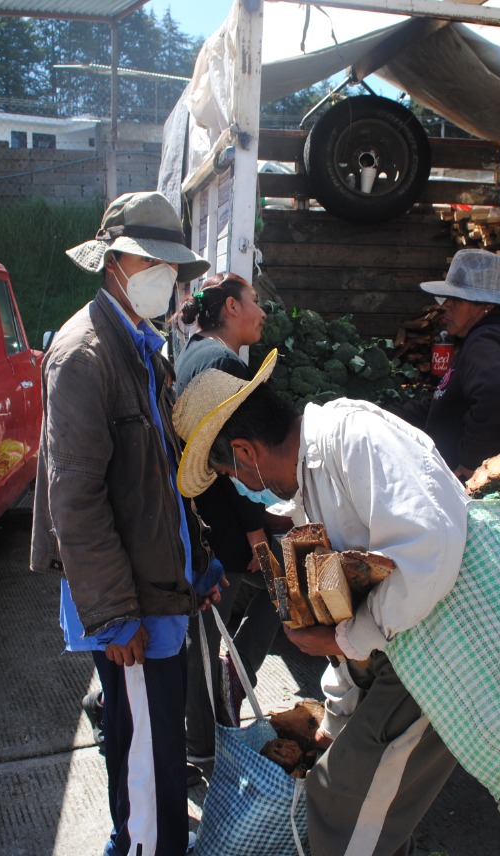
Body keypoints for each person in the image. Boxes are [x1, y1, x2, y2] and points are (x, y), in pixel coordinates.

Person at [172, 352, 469, 856]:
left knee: (342, 801)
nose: (240, 484)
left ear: (245, 450)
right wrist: (336, 714)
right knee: (370, 809)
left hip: (438, 653)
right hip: (403, 650)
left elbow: (429, 553)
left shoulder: (352, 439)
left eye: (230, 472)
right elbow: (363, 603)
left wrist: (340, 640)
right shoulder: (312, 478)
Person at [30, 190, 223, 856]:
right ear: (115, 263)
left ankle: (147, 840)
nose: (167, 280)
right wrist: (113, 616)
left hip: (156, 589)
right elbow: (74, 498)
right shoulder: (84, 355)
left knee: (156, 748)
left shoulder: (146, 346)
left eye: (173, 268)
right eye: (153, 263)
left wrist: (200, 563)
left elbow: (163, 478)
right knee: (146, 759)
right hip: (126, 603)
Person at [171, 272, 281, 778]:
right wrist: (259, 534)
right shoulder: (225, 365)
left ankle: (203, 735)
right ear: (232, 308)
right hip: (225, 522)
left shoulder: (194, 351)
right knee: (284, 587)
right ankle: (210, 730)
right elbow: (235, 463)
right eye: (255, 302)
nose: (262, 312)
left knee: (203, 634)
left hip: (205, 515)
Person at [397, 248, 500, 481]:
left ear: (485, 305)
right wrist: (386, 411)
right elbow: (449, 407)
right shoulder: (499, 338)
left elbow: (497, 393)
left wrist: (471, 463)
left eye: (456, 299)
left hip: (482, 490)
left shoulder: (487, 339)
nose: (445, 305)